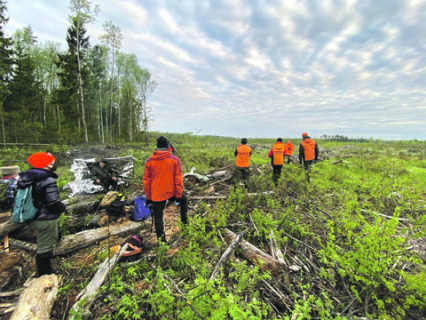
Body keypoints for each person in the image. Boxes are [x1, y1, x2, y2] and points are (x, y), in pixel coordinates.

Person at [17, 152, 66, 276]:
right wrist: (62, 207)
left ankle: (46, 267)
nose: (53, 164)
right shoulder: (47, 180)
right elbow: (53, 202)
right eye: (51, 162)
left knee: (50, 239)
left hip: (33, 215)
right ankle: (44, 273)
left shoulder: (26, 178)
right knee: (44, 247)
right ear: (45, 165)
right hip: (45, 218)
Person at [143, 136, 189, 244]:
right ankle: (185, 228)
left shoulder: (149, 161)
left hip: (156, 194)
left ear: (157, 146)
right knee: (184, 200)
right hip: (171, 192)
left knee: (158, 218)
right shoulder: (174, 159)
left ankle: (162, 242)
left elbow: (146, 181)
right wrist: (178, 196)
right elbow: (178, 179)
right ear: (167, 146)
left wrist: (149, 198)